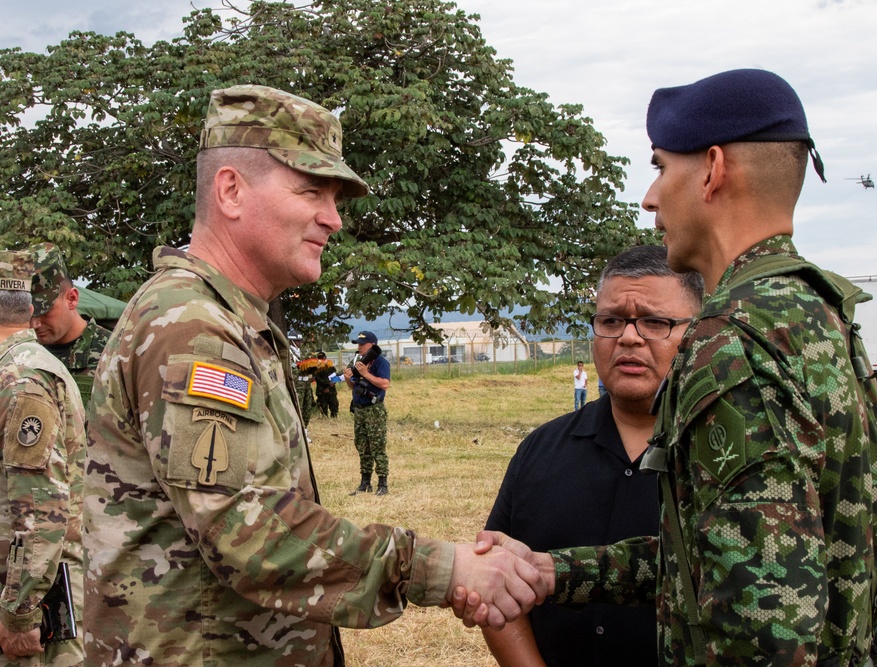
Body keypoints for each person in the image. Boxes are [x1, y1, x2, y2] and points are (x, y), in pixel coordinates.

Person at [83, 84, 544, 666]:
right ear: (230, 190)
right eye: (311, 191)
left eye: (336, 199)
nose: (333, 219)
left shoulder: (225, 319)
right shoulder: (193, 326)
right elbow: (250, 533)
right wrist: (441, 567)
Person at [459, 69, 877, 667]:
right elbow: (726, 552)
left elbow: (765, 627)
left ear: (712, 170)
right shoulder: (817, 313)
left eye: (660, 167)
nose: (650, 197)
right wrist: (555, 570)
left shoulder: (734, 340)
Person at [483, 245, 703, 667]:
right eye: (611, 321)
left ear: (697, 333)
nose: (629, 336)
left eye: (655, 322)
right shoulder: (541, 449)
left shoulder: (726, 457)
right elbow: (497, 583)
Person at [0, 250, 85, 666]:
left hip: (39, 611)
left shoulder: (23, 381)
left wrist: (20, 614)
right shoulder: (22, 370)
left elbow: (37, 509)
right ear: (29, 309)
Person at [25, 242, 112, 408]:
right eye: (27, 312)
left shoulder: (112, 354)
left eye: (44, 311)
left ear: (72, 299)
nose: (34, 323)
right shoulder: (21, 354)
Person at [343, 331, 391, 495]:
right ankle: (365, 483)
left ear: (372, 345)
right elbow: (353, 387)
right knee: (362, 446)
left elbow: (384, 384)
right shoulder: (357, 362)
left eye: (362, 344)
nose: (359, 347)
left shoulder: (380, 362)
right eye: (358, 344)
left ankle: (383, 484)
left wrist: (365, 374)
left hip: (374, 410)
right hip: (359, 409)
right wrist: (349, 377)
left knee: (377, 446)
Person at [313, 351, 340, 418]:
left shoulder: (331, 367)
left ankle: (334, 418)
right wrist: (328, 384)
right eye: (320, 358)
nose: (321, 360)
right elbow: (318, 379)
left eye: (323, 358)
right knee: (323, 407)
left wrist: (330, 386)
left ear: (325, 358)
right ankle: (324, 418)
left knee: (334, 406)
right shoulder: (316, 368)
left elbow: (335, 377)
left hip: (331, 390)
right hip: (322, 391)